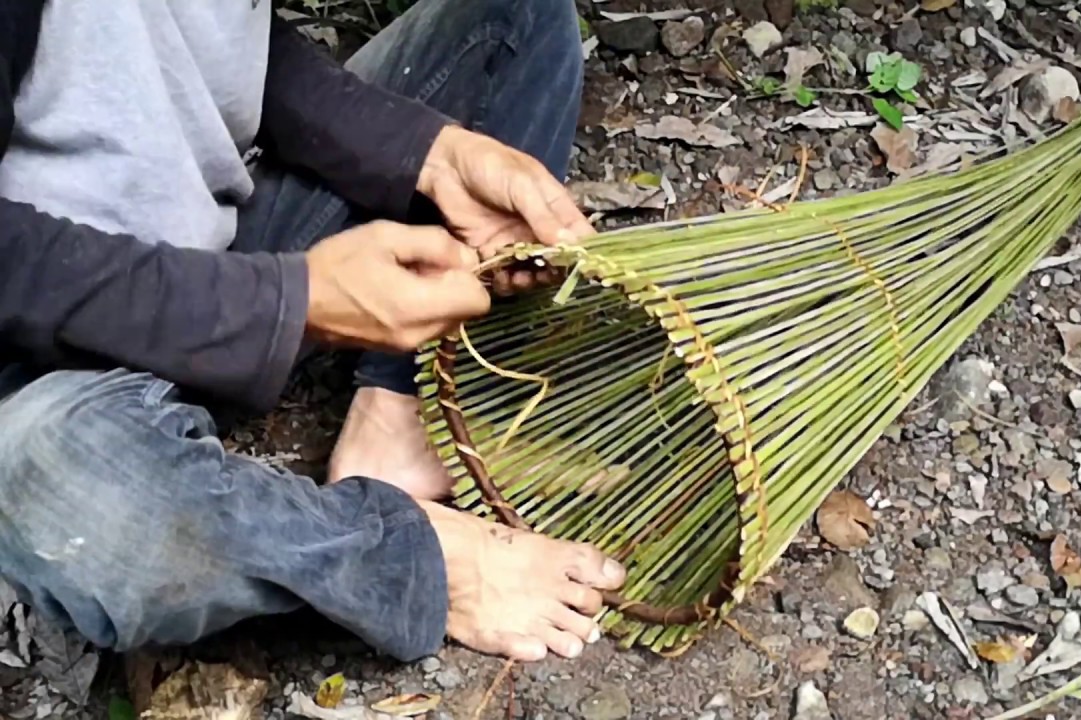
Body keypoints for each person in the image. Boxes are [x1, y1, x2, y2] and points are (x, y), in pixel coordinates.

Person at [0, 0, 627, 665]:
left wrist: (429, 154)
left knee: (517, 19)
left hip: (210, 243)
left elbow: (189, 46)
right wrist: (284, 305)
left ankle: (394, 424)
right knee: (68, 493)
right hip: (41, 366)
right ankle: (405, 555)